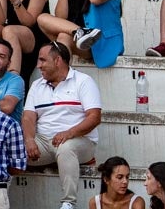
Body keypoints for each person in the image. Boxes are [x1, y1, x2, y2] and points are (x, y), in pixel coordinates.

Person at [22, 42, 102, 209]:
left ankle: (68, 203)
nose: (38, 65)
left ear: (57, 61)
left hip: (79, 140)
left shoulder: (83, 81)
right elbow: (28, 117)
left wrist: (69, 133)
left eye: (43, 60)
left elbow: (94, 117)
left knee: (66, 148)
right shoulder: (37, 85)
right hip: (43, 141)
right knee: (13, 149)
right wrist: (29, 139)